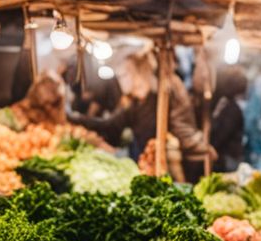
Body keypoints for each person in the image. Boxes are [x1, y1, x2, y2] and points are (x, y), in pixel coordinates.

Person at [70, 51, 212, 181]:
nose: (120, 80)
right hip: (146, 170)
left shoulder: (161, 98)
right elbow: (108, 124)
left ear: (137, 73)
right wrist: (72, 117)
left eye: (124, 74)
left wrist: (200, 147)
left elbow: (182, 128)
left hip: (171, 171)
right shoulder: (135, 105)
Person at [209, 66, 247, 173]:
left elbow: (221, 135)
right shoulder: (228, 106)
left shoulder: (231, 109)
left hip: (228, 159)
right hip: (228, 157)